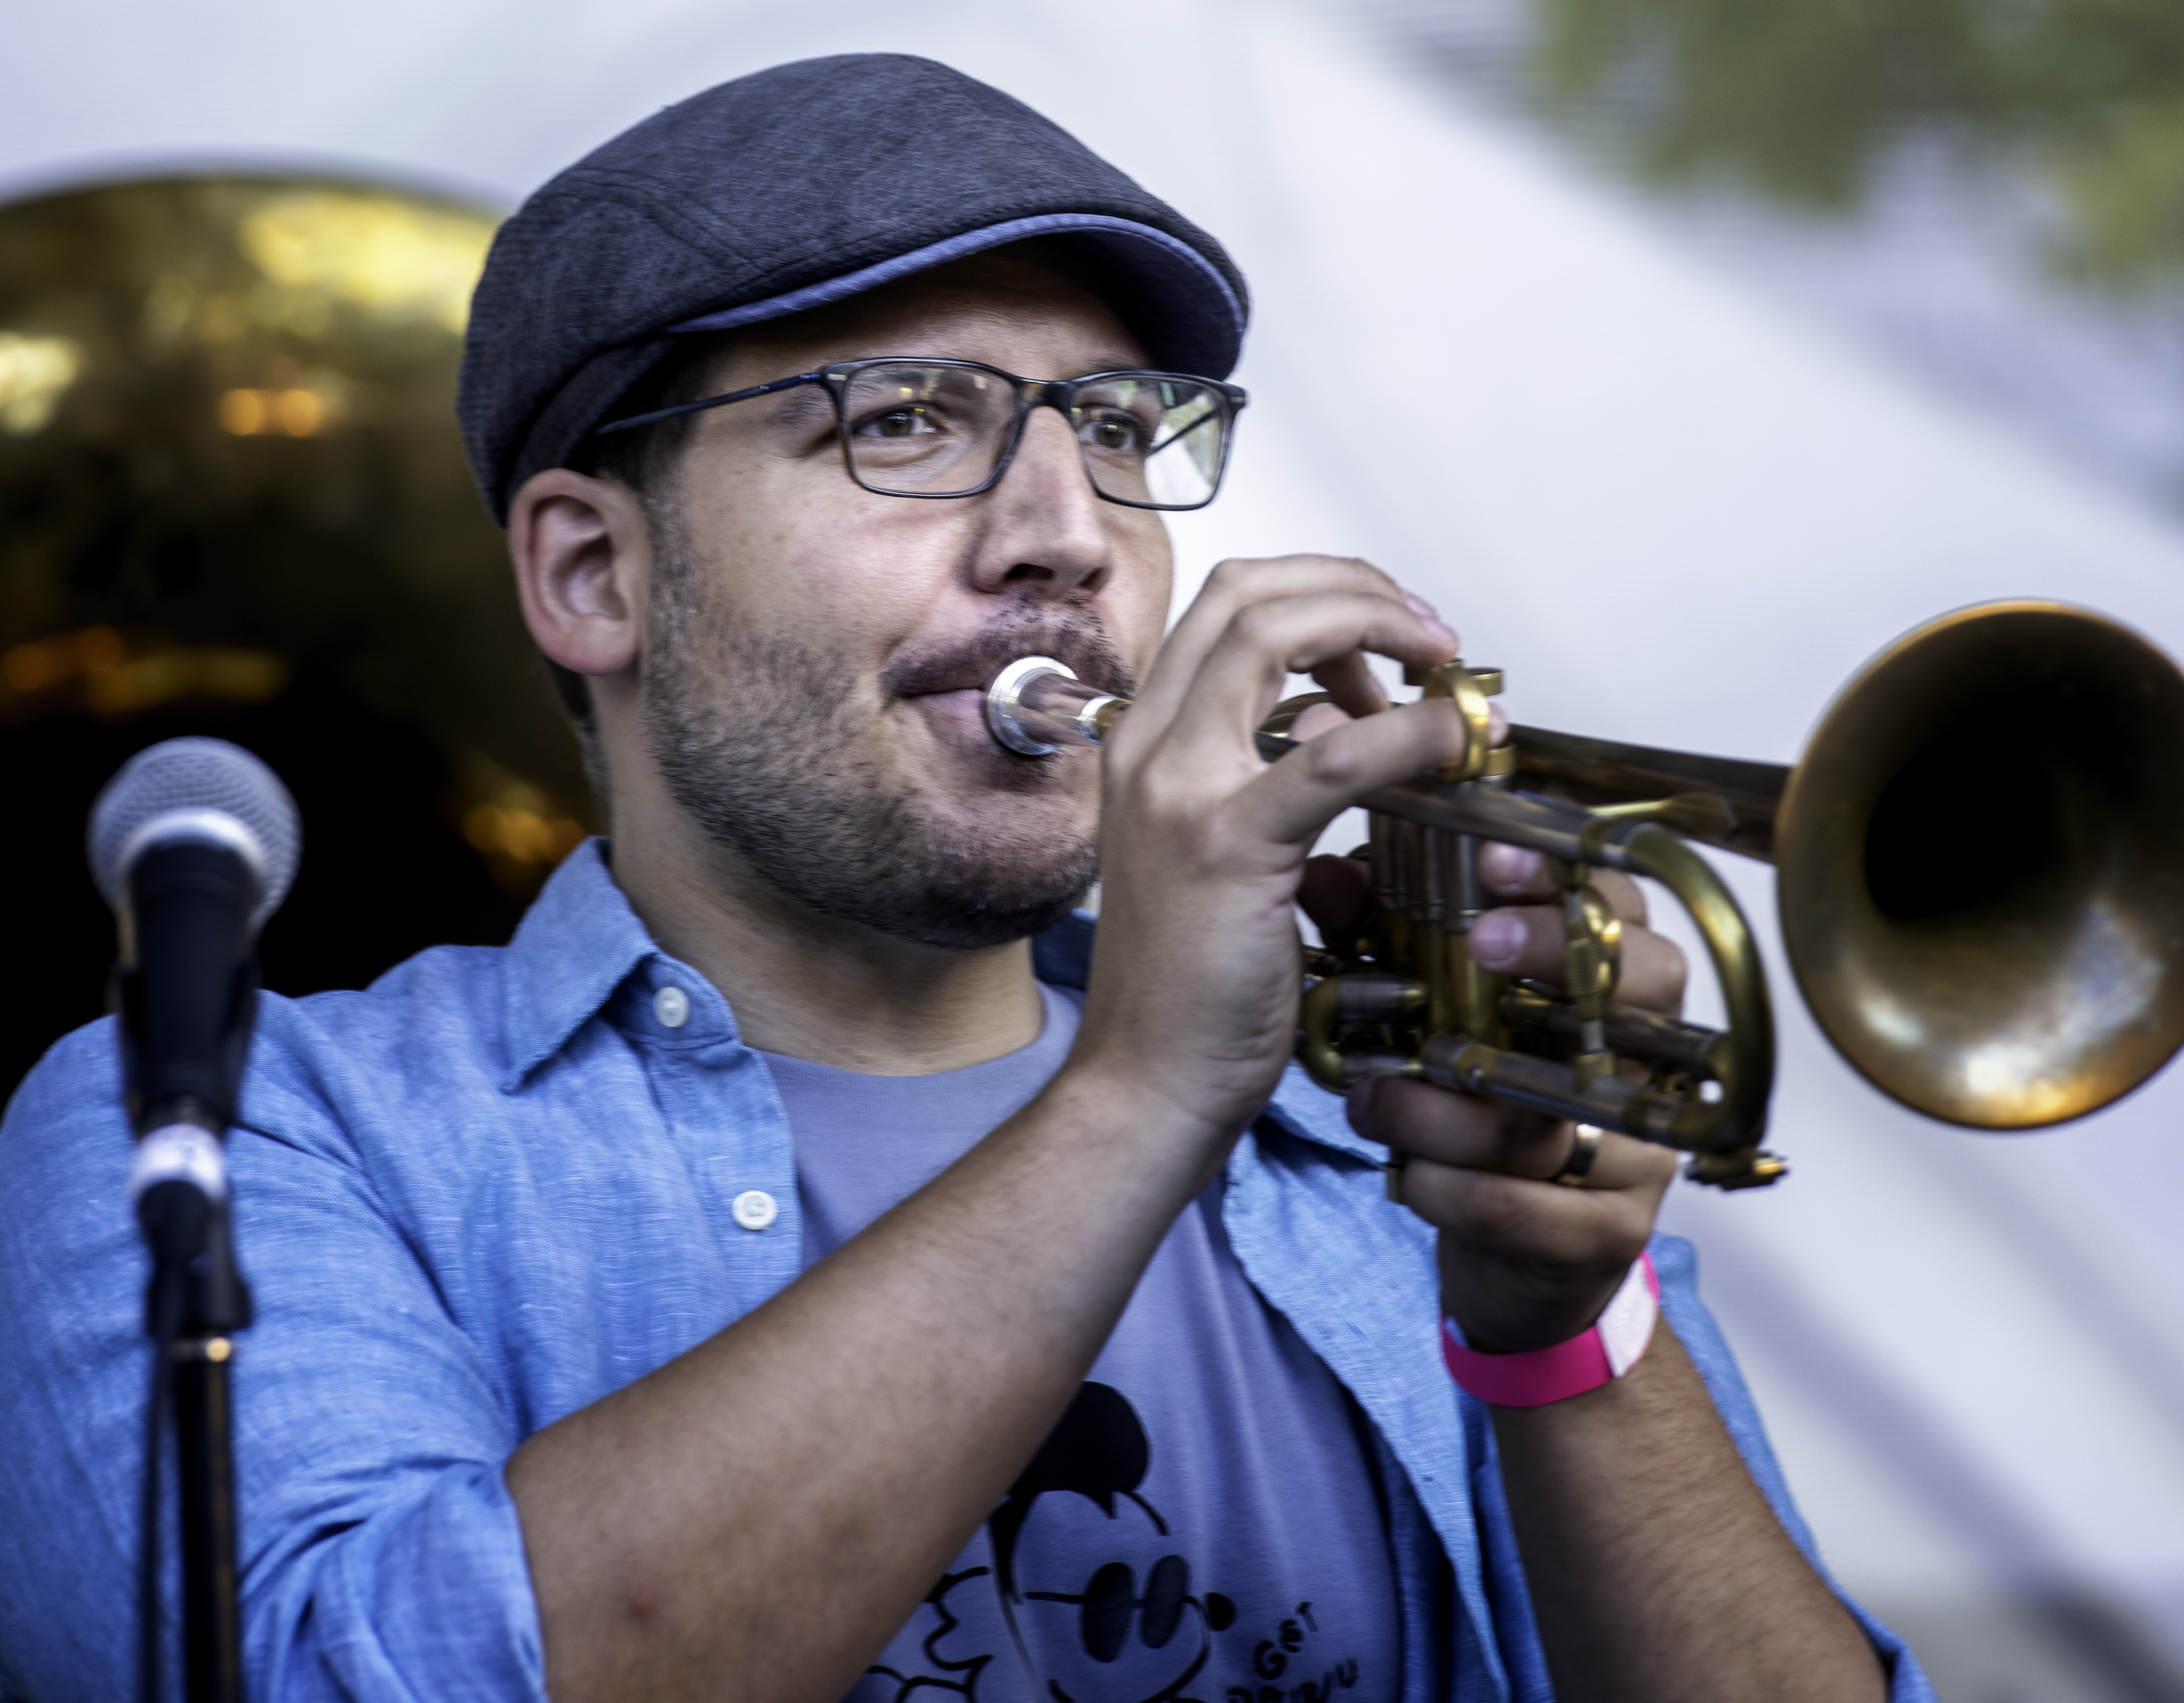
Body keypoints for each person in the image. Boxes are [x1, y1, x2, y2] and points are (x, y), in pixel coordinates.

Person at [0, 54, 1930, 1703]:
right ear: (595, 574)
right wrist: (1146, 1087)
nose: (1065, 535)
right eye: (908, 423)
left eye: (1114, 431)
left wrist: (1556, 1322)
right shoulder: (247, 1136)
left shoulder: (1393, 1146)